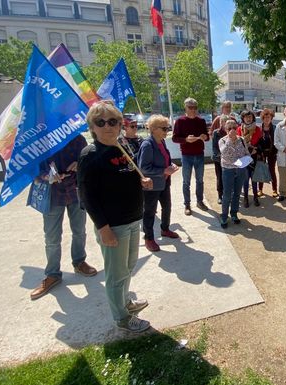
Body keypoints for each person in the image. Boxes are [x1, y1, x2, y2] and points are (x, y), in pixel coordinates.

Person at [78, 100, 153, 333]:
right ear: (93, 126)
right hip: (114, 225)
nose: (108, 126)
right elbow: (87, 196)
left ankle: (125, 303)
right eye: (101, 122)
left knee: (127, 268)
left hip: (132, 219)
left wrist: (142, 182)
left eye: (113, 121)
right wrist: (103, 228)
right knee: (115, 274)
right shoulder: (90, 155)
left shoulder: (121, 146)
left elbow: (128, 175)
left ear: (120, 124)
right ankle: (121, 318)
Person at [30, 135, 98, 300]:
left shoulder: (78, 140)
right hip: (52, 195)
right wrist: (46, 176)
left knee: (79, 231)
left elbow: (89, 163)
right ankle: (52, 274)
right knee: (52, 237)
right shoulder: (40, 141)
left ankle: (79, 262)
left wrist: (80, 164)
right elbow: (33, 169)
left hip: (75, 192)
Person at [138, 114, 180, 253]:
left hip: (164, 182)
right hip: (152, 185)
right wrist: (164, 170)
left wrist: (171, 165)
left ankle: (165, 229)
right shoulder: (148, 145)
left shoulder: (161, 141)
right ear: (154, 129)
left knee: (167, 206)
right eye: (164, 128)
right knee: (149, 211)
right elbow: (143, 168)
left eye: (167, 127)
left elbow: (165, 159)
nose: (167, 130)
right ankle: (149, 238)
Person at [172, 97, 209, 215]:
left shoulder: (201, 121)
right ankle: (187, 204)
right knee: (186, 181)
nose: (193, 110)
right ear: (185, 108)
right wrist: (186, 140)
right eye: (190, 107)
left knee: (200, 180)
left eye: (195, 108)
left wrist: (204, 137)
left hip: (199, 154)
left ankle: (200, 201)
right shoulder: (180, 121)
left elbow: (207, 137)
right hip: (186, 155)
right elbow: (174, 138)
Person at [219, 119, 249, 228]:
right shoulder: (222, 140)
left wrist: (245, 161)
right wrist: (230, 140)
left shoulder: (241, 140)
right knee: (227, 194)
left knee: (237, 193)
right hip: (228, 170)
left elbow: (247, 153)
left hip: (240, 169)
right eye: (229, 128)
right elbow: (224, 153)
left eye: (234, 128)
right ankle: (224, 216)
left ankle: (234, 213)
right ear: (225, 129)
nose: (232, 130)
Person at [237, 109, 262, 207]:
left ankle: (255, 197)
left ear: (253, 118)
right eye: (246, 117)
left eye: (250, 117)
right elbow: (238, 144)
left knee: (254, 178)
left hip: (254, 156)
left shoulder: (258, 129)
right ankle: (246, 198)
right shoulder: (239, 129)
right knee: (245, 178)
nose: (248, 118)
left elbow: (261, 143)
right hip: (243, 157)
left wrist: (257, 149)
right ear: (243, 118)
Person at [258, 108, 278, 197]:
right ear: (262, 118)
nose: (267, 119)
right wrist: (259, 151)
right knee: (261, 170)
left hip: (272, 153)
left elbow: (277, 140)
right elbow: (256, 141)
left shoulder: (275, 128)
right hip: (261, 153)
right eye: (265, 117)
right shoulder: (258, 128)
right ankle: (260, 190)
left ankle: (274, 190)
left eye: (268, 117)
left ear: (271, 118)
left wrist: (275, 151)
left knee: (272, 171)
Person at [212, 115, 230, 204]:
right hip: (218, 159)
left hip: (229, 160)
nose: (224, 123)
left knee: (228, 178)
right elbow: (214, 147)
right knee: (220, 177)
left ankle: (227, 194)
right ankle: (220, 195)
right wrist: (220, 155)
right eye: (222, 121)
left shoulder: (230, 132)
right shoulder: (216, 133)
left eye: (226, 121)